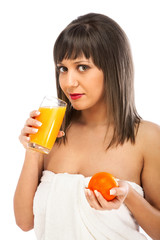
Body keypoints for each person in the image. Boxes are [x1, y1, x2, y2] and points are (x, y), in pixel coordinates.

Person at [14, 13, 160, 240]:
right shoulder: (52, 131)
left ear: (113, 68)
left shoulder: (147, 138)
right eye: (63, 68)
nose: (69, 82)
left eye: (82, 67)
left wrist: (128, 195)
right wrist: (34, 150)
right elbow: (24, 222)